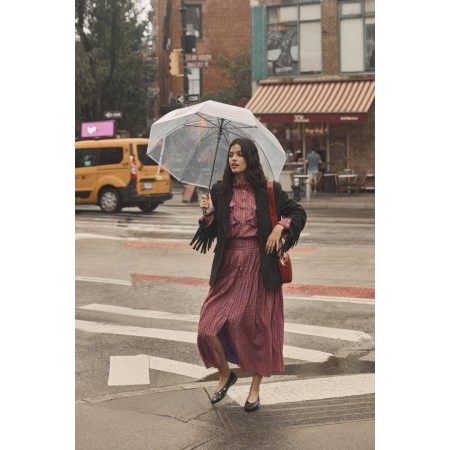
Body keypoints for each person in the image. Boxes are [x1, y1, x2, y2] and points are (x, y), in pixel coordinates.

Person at [190, 137, 307, 412]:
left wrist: (280, 228)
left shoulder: (268, 189)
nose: (234, 159)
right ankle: (224, 374)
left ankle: (255, 389)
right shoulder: (220, 191)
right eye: (231, 154)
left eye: (240, 154)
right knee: (207, 327)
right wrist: (208, 215)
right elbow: (211, 233)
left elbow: (297, 212)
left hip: (260, 266)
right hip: (229, 266)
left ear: (250, 158)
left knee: (258, 329)